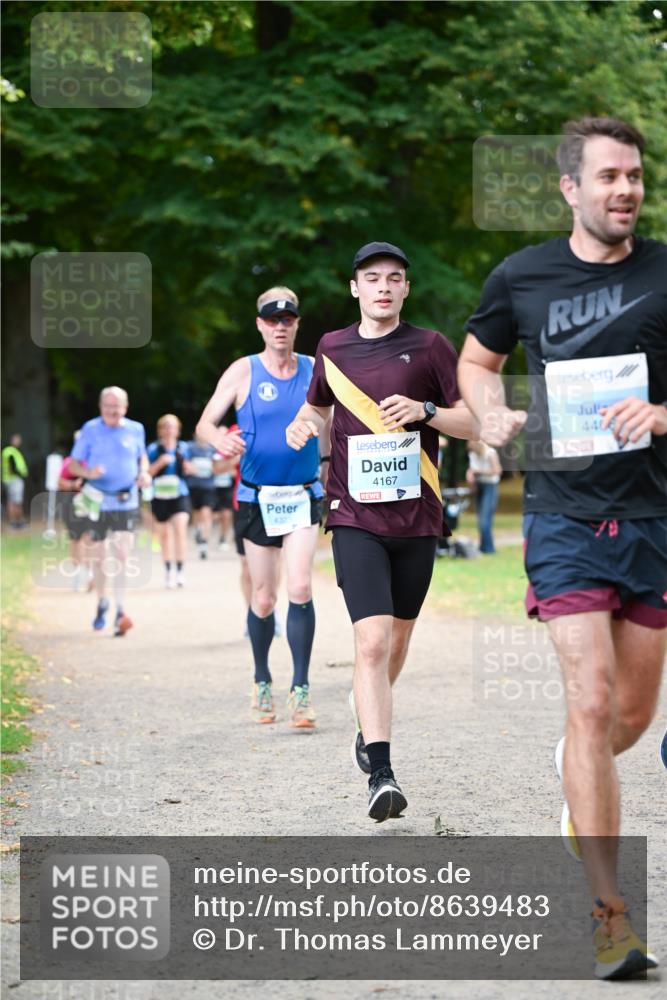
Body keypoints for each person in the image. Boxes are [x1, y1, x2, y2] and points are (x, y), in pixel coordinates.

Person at [458, 117, 665, 980]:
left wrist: (662, 415)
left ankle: (573, 771)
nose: (625, 190)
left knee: (627, 718)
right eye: (608, 176)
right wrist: (490, 412)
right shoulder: (522, 275)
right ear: (569, 188)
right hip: (564, 516)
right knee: (589, 704)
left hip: (654, 520)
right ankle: (608, 916)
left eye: (635, 177)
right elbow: (475, 361)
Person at [286, 242, 476, 821]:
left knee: (395, 643)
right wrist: (301, 423)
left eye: (395, 278)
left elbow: (471, 421)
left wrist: (425, 411)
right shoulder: (331, 347)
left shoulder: (431, 347)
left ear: (406, 290)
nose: (384, 287)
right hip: (353, 516)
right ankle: (382, 772)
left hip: (417, 518)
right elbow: (317, 411)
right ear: (356, 288)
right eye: (373, 279)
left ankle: (366, 715)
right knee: (370, 642)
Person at [197, 286, 330, 729]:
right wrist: (217, 439)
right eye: (272, 320)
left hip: (302, 494)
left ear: (296, 324)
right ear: (259, 325)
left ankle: (301, 689)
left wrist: (329, 468)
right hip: (257, 497)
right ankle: (260, 679)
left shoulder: (314, 369)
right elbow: (204, 423)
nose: (279, 326)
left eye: (287, 319)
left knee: (301, 589)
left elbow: (333, 423)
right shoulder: (243, 371)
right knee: (263, 595)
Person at [68, 386, 151, 636]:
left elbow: (142, 457)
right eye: (108, 406)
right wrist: (87, 473)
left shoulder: (136, 429)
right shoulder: (90, 430)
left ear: (125, 407)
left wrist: (145, 472)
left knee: (123, 555)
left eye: (117, 407)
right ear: (101, 407)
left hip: (126, 500)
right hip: (97, 501)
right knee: (100, 557)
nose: (112, 411)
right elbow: (73, 464)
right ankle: (102, 602)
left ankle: (121, 609)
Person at [147, 414, 193, 589]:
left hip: (179, 493)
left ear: (177, 430)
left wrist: (189, 468)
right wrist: (160, 462)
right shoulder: (153, 449)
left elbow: (192, 468)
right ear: (160, 430)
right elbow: (146, 473)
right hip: (159, 495)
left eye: (172, 426)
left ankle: (180, 570)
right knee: (164, 535)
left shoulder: (184, 448)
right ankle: (168, 570)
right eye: (165, 426)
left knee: (180, 529)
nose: (168, 430)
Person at [58, 432, 93, 592]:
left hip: (92, 503)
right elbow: (60, 482)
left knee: (91, 539)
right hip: (72, 504)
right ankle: (78, 575)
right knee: (76, 539)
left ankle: (90, 573)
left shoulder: (95, 460)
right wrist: (74, 486)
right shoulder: (69, 462)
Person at [465, 440, 502, 554]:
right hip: (479, 486)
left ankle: (489, 549)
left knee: (485, 519)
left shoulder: (490, 453)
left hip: (490, 486)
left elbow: (497, 470)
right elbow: (471, 469)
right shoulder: (472, 454)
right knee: (481, 518)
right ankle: (483, 547)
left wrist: (479, 471)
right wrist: (470, 474)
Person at [185, 435, 217, 559]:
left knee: (206, 513)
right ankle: (198, 529)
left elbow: (217, 465)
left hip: (208, 487)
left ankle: (204, 543)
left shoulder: (212, 449)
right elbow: (185, 462)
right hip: (193, 486)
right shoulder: (190, 448)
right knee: (196, 514)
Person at [2, 433, 29, 529]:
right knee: (16, 501)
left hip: (9, 479)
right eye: (17, 439)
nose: (19, 441)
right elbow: (12, 466)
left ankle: (14, 522)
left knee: (11, 500)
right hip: (14, 479)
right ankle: (18, 521)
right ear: (13, 440)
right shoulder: (11, 452)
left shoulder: (9, 451)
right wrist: (20, 474)